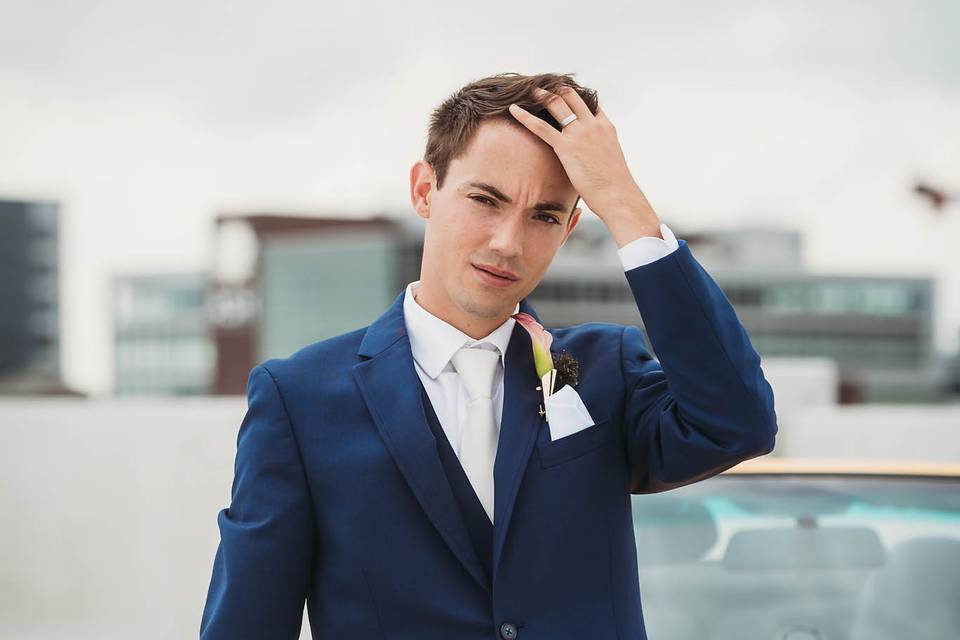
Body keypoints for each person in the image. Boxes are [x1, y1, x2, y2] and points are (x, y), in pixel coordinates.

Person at [200, 72, 777, 639]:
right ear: (425, 190)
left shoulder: (600, 370)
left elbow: (737, 423)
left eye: (544, 215)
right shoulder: (300, 399)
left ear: (572, 225)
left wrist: (623, 200)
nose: (508, 242)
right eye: (485, 199)